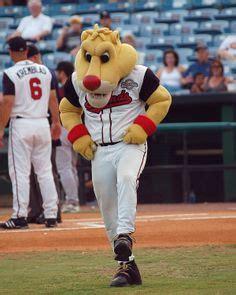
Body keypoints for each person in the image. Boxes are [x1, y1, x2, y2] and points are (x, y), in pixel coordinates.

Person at [59, 25, 171, 287]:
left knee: (127, 177)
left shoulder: (138, 75)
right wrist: (79, 135)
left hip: (129, 144)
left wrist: (143, 126)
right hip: (99, 149)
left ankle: (125, 236)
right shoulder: (78, 79)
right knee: (107, 207)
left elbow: (162, 99)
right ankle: (126, 266)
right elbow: (67, 109)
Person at [0, 37, 61, 229]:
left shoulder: (10, 72)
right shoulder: (46, 71)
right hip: (43, 122)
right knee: (44, 171)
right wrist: (56, 121)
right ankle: (51, 214)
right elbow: (53, 99)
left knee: (20, 172)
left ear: (11, 52)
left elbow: (7, 102)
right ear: (26, 50)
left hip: (22, 123)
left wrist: (1, 127)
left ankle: (19, 215)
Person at [26, 44, 62, 224]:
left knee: (47, 170)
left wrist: (56, 122)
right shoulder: (41, 72)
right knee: (32, 171)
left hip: (45, 125)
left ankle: (54, 210)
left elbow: (53, 99)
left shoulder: (47, 72)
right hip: (42, 125)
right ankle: (36, 208)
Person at [55, 61, 80, 213]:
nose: (57, 75)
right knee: (71, 167)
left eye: (58, 72)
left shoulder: (61, 89)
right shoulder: (78, 85)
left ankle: (72, 200)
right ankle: (74, 199)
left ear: (62, 72)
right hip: (77, 128)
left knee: (64, 167)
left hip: (64, 128)